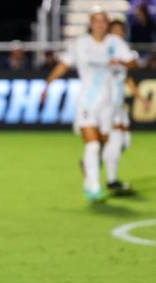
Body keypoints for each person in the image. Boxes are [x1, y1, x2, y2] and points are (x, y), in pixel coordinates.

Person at [42, 9, 136, 202]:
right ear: (91, 22)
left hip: (108, 105)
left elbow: (132, 62)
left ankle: (89, 172)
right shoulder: (80, 43)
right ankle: (93, 187)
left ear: (107, 23)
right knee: (92, 145)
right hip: (87, 102)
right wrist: (48, 84)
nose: (100, 24)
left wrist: (121, 62)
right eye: (96, 21)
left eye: (103, 21)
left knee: (102, 143)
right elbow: (64, 64)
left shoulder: (115, 43)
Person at [105, 19, 149, 195]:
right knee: (116, 139)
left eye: (120, 31)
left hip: (119, 104)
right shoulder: (103, 51)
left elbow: (128, 78)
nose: (118, 33)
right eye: (114, 30)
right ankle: (112, 180)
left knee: (125, 142)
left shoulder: (122, 54)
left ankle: (98, 158)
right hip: (106, 103)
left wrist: (141, 98)